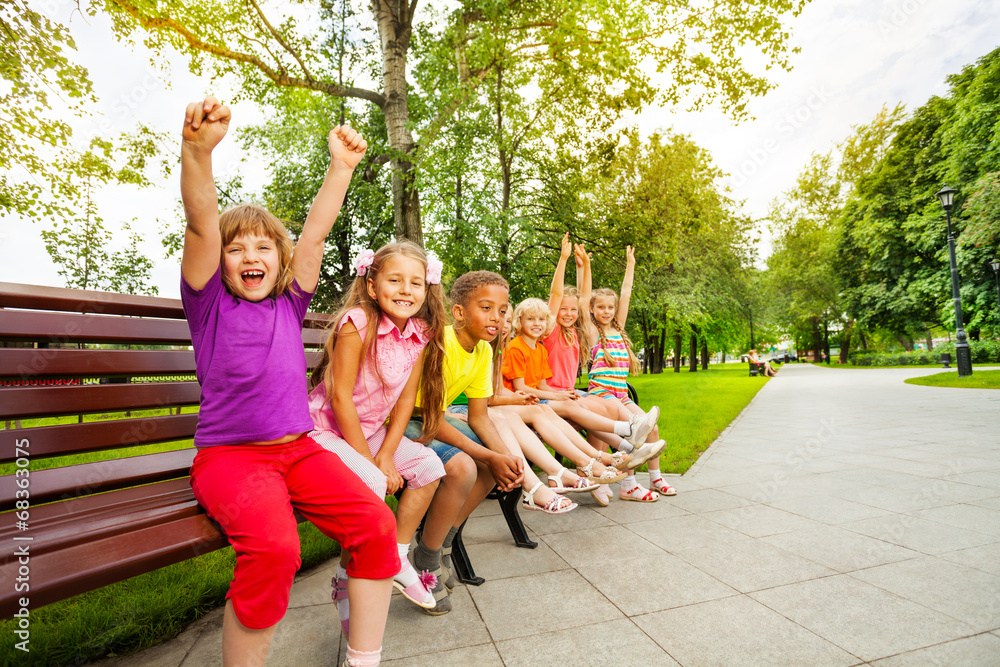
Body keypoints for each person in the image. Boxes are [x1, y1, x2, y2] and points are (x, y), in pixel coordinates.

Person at [180, 96, 393, 667]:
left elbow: (317, 234)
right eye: (236, 248)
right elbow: (202, 220)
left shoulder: (289, 303)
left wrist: (341, 169)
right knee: (276, 550)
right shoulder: (208, 304)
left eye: (263, 247)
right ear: (221, 263)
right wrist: (198, 152)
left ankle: (363, 657)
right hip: (231, 459)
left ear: (279, 258)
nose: (251, 255)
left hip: (300, 450)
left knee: (376, 525)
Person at [307, 241, 448, 633]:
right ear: (372, 286)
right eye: (395, 280)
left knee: (430, 466)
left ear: (427, 289)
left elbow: (405, 401)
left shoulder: (420, 331)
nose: (406, 290)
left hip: (371, 433)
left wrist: (387, 454)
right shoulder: (357, 323)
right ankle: (346, 579)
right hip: (326, 432)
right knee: (369, 481)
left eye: (416, 283)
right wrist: (372, 464)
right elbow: (339, 399)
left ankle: (398, 557)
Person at [402, 271, 525, 615]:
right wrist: (488, 453)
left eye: (502, 311)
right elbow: (427, 417)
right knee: (462, 466)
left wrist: (505, 458)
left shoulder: (483, 350)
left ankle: (441, 543)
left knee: (493, 466)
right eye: (486, 308)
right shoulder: (440, 343)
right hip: (402, 421)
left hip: (432, 419)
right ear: (458, 312)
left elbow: (480, 417)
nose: (497, 318)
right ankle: (426, 557)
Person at [502, 296, 664, 471]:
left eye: (541, 319)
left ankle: (628, 448)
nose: (537, 324)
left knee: (580, 407)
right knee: (571, 407)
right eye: (531, 319)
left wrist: (562, 394)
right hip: (523, 401)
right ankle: (628, 433)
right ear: (519, 322)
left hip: (536, 398)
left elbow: (541, 386)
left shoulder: (540, 349)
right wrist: (558, 395)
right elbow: (521, 388)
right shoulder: (516, 347)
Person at [583, 246, 674, 500]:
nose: (607, 311)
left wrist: (630, 265)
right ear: (593, 309)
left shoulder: (618, 329)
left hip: (621, 394)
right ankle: (628, 485)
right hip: (602, 395)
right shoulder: (593, 332)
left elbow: (625, 294)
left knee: (651, 429)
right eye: (600, 307)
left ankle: (655, 478)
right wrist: (585, 268)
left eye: (609, 307)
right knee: (633, 431)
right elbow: (582, 299)